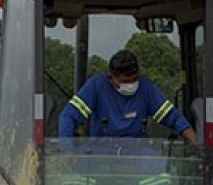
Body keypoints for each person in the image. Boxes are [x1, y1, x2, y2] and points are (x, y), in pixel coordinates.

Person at [57, 49, 197, 142]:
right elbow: (68, 116)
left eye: (134, 79)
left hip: (138, 155)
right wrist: (67, 151)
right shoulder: (96, 86)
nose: (131, 84)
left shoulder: (146, 88)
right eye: (125, 81)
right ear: (111, 78)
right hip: (101, 155)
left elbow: (174, 117)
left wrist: (197, 145)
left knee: (160, 168)